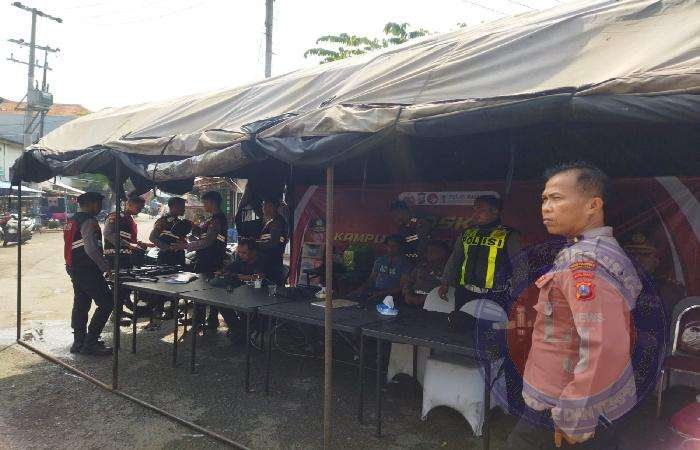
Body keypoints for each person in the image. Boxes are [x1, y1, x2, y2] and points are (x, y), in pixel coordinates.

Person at [505, 162, 642, 450]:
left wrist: (576, 414)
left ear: (593, 205)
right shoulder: (587, 250)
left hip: (561, 405)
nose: (546, 208)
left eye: (556, 198)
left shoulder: (584, 261)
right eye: (544, 199)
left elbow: (606, 344)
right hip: (570, 397)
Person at [439, 194, 523, 313]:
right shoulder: (467, 232)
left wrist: (517, 291)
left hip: (495, 295)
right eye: (474, 210)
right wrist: (445, 283)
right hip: (465, 293)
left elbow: (520, 265)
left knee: (489, 325)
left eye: (481, 210)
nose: (475, 214)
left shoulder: (509, 234)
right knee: (460, 324)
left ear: (495, 211)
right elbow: (455, 259)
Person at [63, 192, 113, 356]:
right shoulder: (89, 221)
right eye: (99, 204)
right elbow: (91, 249)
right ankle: (90, 343)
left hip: (75, 268)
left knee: (81, 304)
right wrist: (106, 268)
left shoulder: (71, 220)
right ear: (92, 204)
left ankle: (79, 342)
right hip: (87, 269)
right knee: (107, 303)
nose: (100, 207)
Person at [171, 191, 228, 330]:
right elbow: (203, 235)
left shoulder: (217, 220)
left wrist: (185, 246)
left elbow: (207, 241)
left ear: (212, 202)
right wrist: (193, 227)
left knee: (205, 290)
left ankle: (205, 320)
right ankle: (202, 319)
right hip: (207, 258)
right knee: (204, 289)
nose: (204, 205)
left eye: (205, 202)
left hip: (211, 260)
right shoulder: (212, 219)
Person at [624, 231, 686, 325]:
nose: (637, 259)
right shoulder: (615, 286)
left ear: (656, 261)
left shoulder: (670, 290)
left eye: (645, 255)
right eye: (633, 254)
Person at [217, 239, 266, 337]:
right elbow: (229, 268)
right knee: (221, 303)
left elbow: (258, 277)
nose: (240, 255)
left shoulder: (262, 261)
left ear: (253, 252)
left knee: (243, 307)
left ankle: (244, 330)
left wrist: (238, 276)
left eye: (244, 253)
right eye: (239, 252)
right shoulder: (240, 260)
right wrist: (222, 272)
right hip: (242, 292)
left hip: (260, 295)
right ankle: (237, 329)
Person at [349, 235, 412, 303]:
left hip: (392, 296)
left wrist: (380, 293)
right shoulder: (380, 260)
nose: (390, 248)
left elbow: (400, 287)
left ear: (399, 247)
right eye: (388, 246)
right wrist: (360, 289)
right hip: (375, 291)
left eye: (394, 246)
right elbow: (372, 279)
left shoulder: (405, 264)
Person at [104, 194, 149, 269]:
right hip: (114, 255)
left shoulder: (130, 219)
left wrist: (139, 243)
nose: (140, 210)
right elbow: (108, 234)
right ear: (129, 205)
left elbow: (129, 237)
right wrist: (129, 244)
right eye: (138, 208)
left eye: (141, 208)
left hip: (126, 255)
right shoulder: (115, 216)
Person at [402, 240, 449, 307]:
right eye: (428, 251)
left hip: (434, 305)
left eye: (433, 252)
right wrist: (407, 293)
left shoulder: (447, 271)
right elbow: (409, 281)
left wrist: (424, 299)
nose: (429, 254)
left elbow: (445, 289)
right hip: (412, 300)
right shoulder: (420, 266)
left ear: (442, 253)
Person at [149, 197, 193, 267]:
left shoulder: (180, 222)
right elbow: (152, 238)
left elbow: (180, 239)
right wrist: (168, 248)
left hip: (179, 256)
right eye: (182, 207)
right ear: (173, 207)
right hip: (166, 257)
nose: (184, 209)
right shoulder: (163, 221)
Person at [257, 198, 288, 285]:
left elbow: (273, 243)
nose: (263, 208)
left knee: (270, 287)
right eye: (263, 206)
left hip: (272, 263)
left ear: (272, 207)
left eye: (265, 206)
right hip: (269, 262)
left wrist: (255, 245)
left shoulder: (277, 223)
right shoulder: (272, 221)